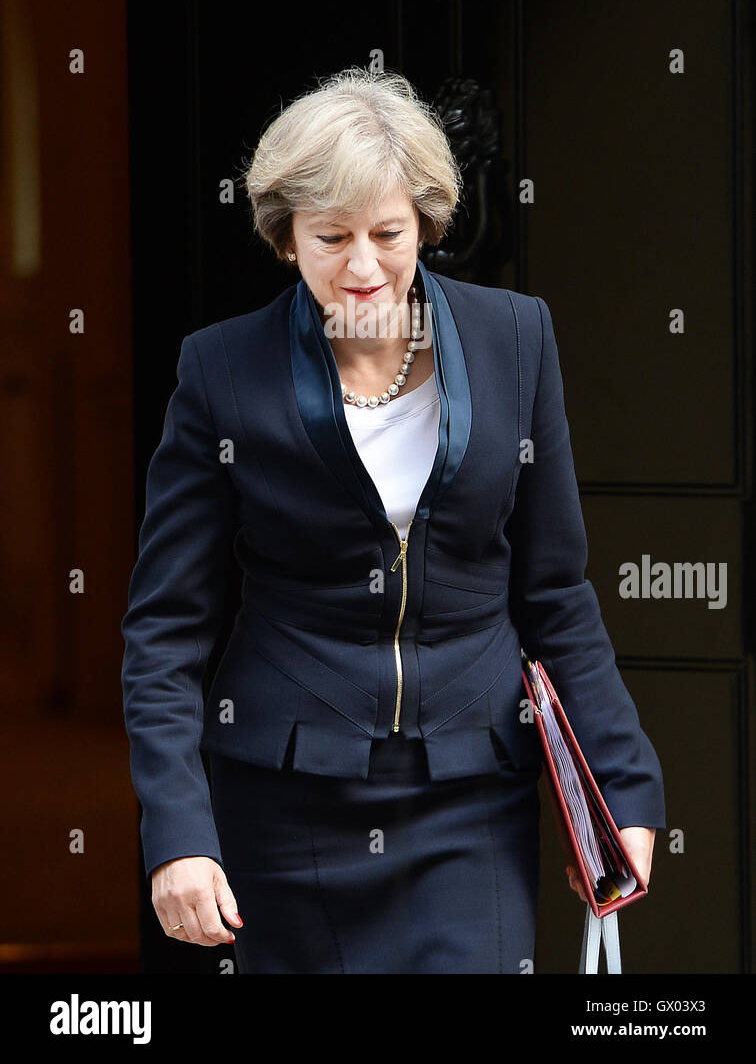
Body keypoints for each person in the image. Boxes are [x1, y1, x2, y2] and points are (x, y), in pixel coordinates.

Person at [121, 65, 665, 974]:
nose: (363, 266)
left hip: (469, 795)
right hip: (285, 804)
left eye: (389, 233)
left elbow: (556, 595)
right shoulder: (220, 371)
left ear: (426, 225)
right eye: (331, 235)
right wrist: (177, 830)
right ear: (286, 237)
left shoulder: (517, 341)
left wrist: (624, 787)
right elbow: (166, 627)